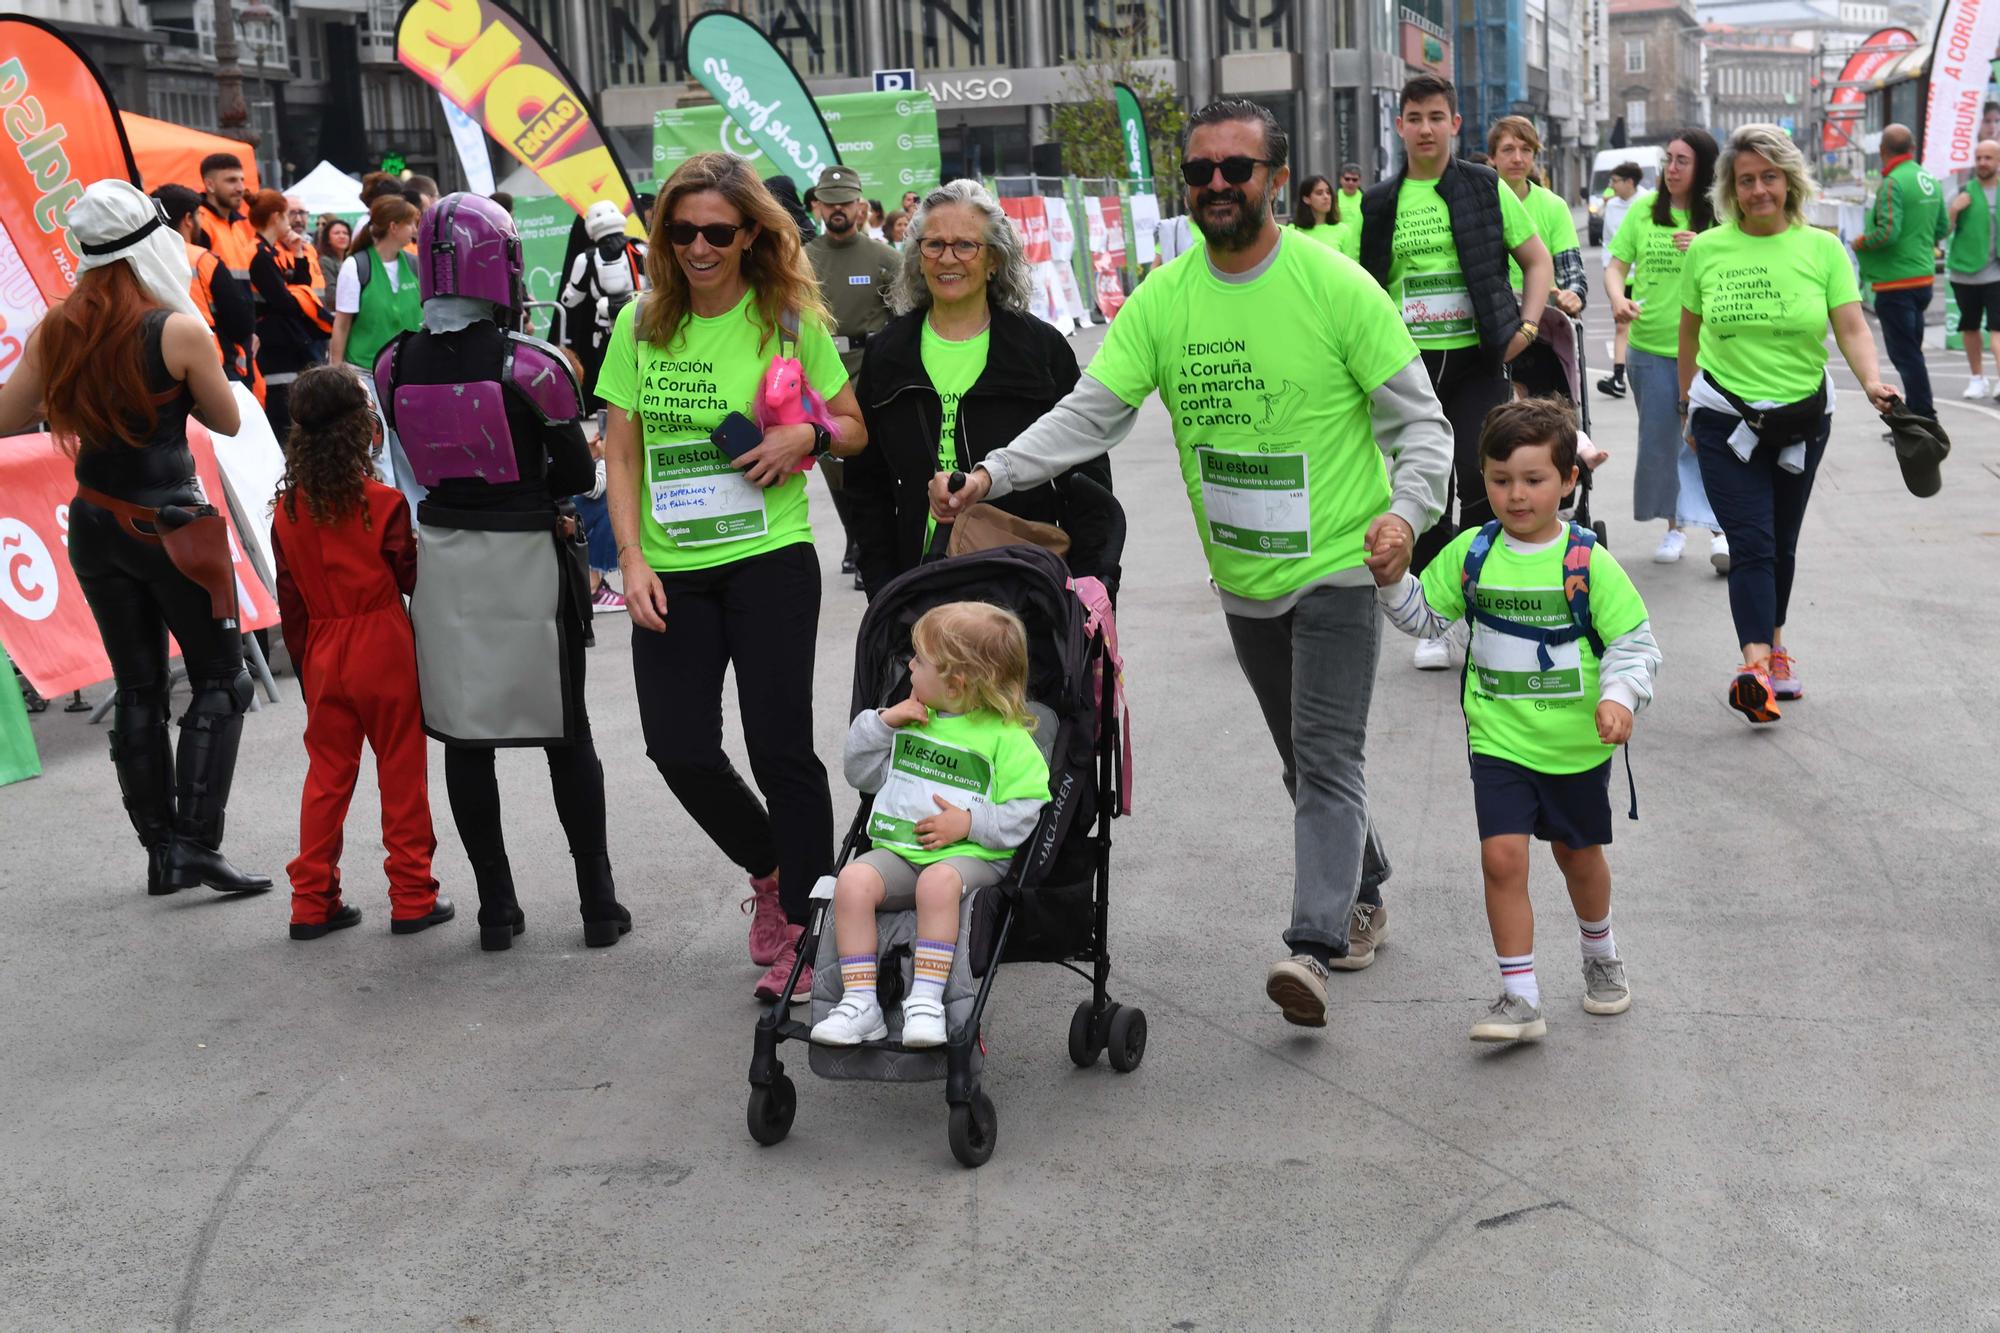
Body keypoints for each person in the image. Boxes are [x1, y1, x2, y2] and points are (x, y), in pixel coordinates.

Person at [928, 99, 1453, 1020]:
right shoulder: (1167, 298)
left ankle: (1312, 948)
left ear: (1275, 180)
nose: (1216, 185)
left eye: (1235, 170)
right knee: (1301, 759)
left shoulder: (1336, 287)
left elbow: (1423, 425)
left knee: (1327, 757)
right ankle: (1365, 881)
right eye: (1200, 170)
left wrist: (1406, 518)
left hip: (1337, 562)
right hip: (1244, 581)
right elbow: (1091, 413)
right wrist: (992, 473)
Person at [598, 153, 867, 1000]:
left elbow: (853, 426)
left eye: (717, 230)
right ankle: (770, 867)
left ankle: (811, 930)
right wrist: (630, 559)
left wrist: (808, 439)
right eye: (682, 230)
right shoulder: (640, 324)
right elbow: (622, 447)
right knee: (676, 746)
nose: (699, 246)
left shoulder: (787, 321)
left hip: (769, 560)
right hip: (672, 568)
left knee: (782, 748)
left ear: (750, 233)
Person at [373, 192, 632, 950]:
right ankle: (597, 905)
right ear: (504, 264)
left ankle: (496, 907)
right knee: (564, 733)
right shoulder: (534, 366)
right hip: (529, 555)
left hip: (445, 561)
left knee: (465, 736)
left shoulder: (392, 365)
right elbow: (577, 474)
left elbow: (407, 470)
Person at [0, 179, 272, 897]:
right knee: (221, 676)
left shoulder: (56, 329)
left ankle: (161, 851)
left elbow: (5, 416)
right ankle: (193, 844)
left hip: (93, 520)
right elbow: (229, 420)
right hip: (171, 524)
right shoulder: (175, 328)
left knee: (138, 685)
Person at [1372, 398, 1659, 1041]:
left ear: (1568, 481)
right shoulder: (1472, 553)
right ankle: (1519, 995)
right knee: (1502, 859)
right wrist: (1393, 581)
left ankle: (1599, 953)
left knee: (1577, 857)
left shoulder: (1587, 560)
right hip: (1498, 740)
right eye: (1500, 481)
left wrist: (1619, 697)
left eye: (1533, 480)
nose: (1516, 495)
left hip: (1576, 746)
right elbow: (1426, 619)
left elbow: (1635, 645)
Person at [1678, 124, 1897, 723]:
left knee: (1782, 541)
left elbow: (1851, 325)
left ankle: (1777, 649)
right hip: (1725, 418)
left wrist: (1872, 381)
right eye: (1745, 180)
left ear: (1789, 181)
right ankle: (1754, 668)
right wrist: (1686, 406)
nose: (1757, 190)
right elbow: (1690, 333)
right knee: (1751, 542)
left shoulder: (1822, 249)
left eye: (1768, 177)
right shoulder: (1707, 249)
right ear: (1730, 188)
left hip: (1803, 418)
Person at [1359, 75, 1553, 671]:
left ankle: (1486, 609)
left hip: (1476, 361)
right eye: (1414, 117)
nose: (1425, 128)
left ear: (1455, 124)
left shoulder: (1486, 186)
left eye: (1435, 116)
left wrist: (1524, 329)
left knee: (1479, 482)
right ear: (1399, 125)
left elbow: (1536, 260)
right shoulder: (1379, 201)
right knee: (1424, 490)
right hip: (1407, 368)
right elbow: (1361, 287)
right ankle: (1436, 619)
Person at [847, 179, 1111, 592]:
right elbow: (866, 482)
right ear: (917, 258)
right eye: (933, 245)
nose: (947, 258)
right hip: (918, 582)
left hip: (1024, 576)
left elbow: (1086, 472)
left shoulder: (1039, 350)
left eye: (965, 245)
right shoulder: (888, 352)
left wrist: (1092, 583)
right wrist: (883, 583)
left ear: (994, 261)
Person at [811, 601, 1052, 1047]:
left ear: (956, 684)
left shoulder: (1007, 739)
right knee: (852, 880)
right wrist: (884, 725)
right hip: (903, 852)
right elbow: (859, 775)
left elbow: (1027, 811)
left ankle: (926, 998)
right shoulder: (911, 721)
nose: (909, 666)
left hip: (972, 858)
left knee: (938, 883)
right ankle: (862, 1003)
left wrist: (969, 823)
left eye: (919, 660)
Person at [271, 365, 451, 940]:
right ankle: (412, 897)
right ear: (360, 430)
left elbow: (291, 603)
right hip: (382, 644)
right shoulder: (382, 502)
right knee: (400, 771)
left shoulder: (287, 511)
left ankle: (311, 902)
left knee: (326, 776)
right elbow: (412, 578)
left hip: (323, 649)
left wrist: (306, 670)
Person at [1606, 130, 1727, 570]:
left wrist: (1705, 247)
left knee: (1707, 439)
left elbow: (1739, 264)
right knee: (1662, 440)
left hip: (1709, 349)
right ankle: (1674, 528)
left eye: (1682, 161)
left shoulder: (1720, 218)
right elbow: (1616, 267)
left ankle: (1719, 531)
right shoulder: (1643, 211)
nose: (1671, 169)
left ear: (1704, 168)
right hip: (1650, 346)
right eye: (1668, 160)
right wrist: (1619, 298)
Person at [804, 163, 901, 590]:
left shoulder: (885, 258)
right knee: (833, 466)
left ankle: (867, 544)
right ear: (818, 206)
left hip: (871, 372)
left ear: (860, 205)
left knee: (870, 465)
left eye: (846, 202)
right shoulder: (803, 259)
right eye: (830, 203)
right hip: (820, 375)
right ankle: (853, 537)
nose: (838, 209)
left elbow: (906, 317)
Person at [1852, 123, 1947, 421]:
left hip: (1895, 282)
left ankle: (1922, 416)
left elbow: (1887, 233)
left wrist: (1860, 241)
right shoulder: (1928, 179)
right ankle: (1922, 412)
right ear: (1913, 147)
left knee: (1906, 356)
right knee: (1912, 352)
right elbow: (1942, 227)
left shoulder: (1893, 182)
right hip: (1923, 279)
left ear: (1882, 151)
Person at [331, 196, 424, 502]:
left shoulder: (414, 264)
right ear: (394, 227)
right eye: (410, 222)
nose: (414, 228)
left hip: (409, 372)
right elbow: (342, 324)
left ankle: (416, 522)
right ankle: (390, 521)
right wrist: (337, 372)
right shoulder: (355, 266)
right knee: (378, 452)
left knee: (412, 451)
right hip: (365, 374)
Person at [1488, 116, 1586, 402]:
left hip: (1542, 326)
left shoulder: (1553, 206)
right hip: (1493, 325)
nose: (1518, 158)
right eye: (1508, 149)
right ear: (1492, 157)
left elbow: (1572, 272)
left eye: (1526, 150)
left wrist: (1573, 296)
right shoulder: (1480, 202)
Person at [155, 184, 257, 393]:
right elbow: (241, 325)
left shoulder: (140, 258)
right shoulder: (202, 260)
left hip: (157, 365)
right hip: (212, 367)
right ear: (188, 219)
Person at [246, 189, 326, 439]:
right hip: (275, 342)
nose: (291, 222)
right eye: (288, 215)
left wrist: (298, 253)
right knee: (283, 413)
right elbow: (285, 301)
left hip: (288, 339)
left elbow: (297, 288)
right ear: (276, 217)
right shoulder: (260, 254)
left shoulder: (272, 252)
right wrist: (298, 297)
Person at [559, 200, 647, 407]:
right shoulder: (640, 249)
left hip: (613, 326)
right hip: (636, 325)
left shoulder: (586, 258)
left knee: (612, 382)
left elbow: (571, 299)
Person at [1946, 139, 2000, 399]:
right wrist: (1955, 211)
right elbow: (1941, 231)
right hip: (1965, 274)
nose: (1982, 162)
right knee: (1970, 328)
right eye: (1979, 157)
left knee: (1998, 330)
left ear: (1998, 161)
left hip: (1997, 273)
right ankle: (1977, 378)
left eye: (1988, 157)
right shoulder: (1962, 191)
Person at [1595, 161, 1644, 397]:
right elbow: (1607, 241)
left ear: (1630, 182)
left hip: (1644, 278)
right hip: (1621, 278)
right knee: (1621, 325)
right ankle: (1618, 378)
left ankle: (1630, 375)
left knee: (1637, 328)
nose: (1611, 186)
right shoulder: (1612, 206)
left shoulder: (1648, 203)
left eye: (1615, 181)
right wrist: (1608, 269)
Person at [196, 152, 259, 288]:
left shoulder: (239, 225)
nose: (241, 188)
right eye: (231, 180)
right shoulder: (200, 223)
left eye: (242, 180)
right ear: (210, 185)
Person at [1291, 173, 1358, 260]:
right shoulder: (1293, 231)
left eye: (1328, 192)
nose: (1326, 197)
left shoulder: (1343, 230)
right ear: (1306, 199)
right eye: (1319, 193)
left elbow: (1351, 266)